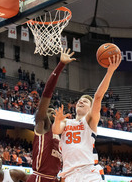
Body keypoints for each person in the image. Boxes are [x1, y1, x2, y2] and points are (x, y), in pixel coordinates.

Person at [52, 54, 121, 182]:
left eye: (85, 101)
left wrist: (110, 72)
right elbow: (56, 131)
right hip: (69, 174)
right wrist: (57, 120)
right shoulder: (66, 121)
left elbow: (98, 96)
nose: (81, 102)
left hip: (88, 171)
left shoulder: (89, 121)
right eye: (79, 100)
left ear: (90, 109)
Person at [27, 48, 76, 182]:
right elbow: (46, 94)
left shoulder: (60, 136)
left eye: (53, 112)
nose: (51, 112)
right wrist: (60, 65)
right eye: (48, 111)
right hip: (39, 178)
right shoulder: (41, 125)